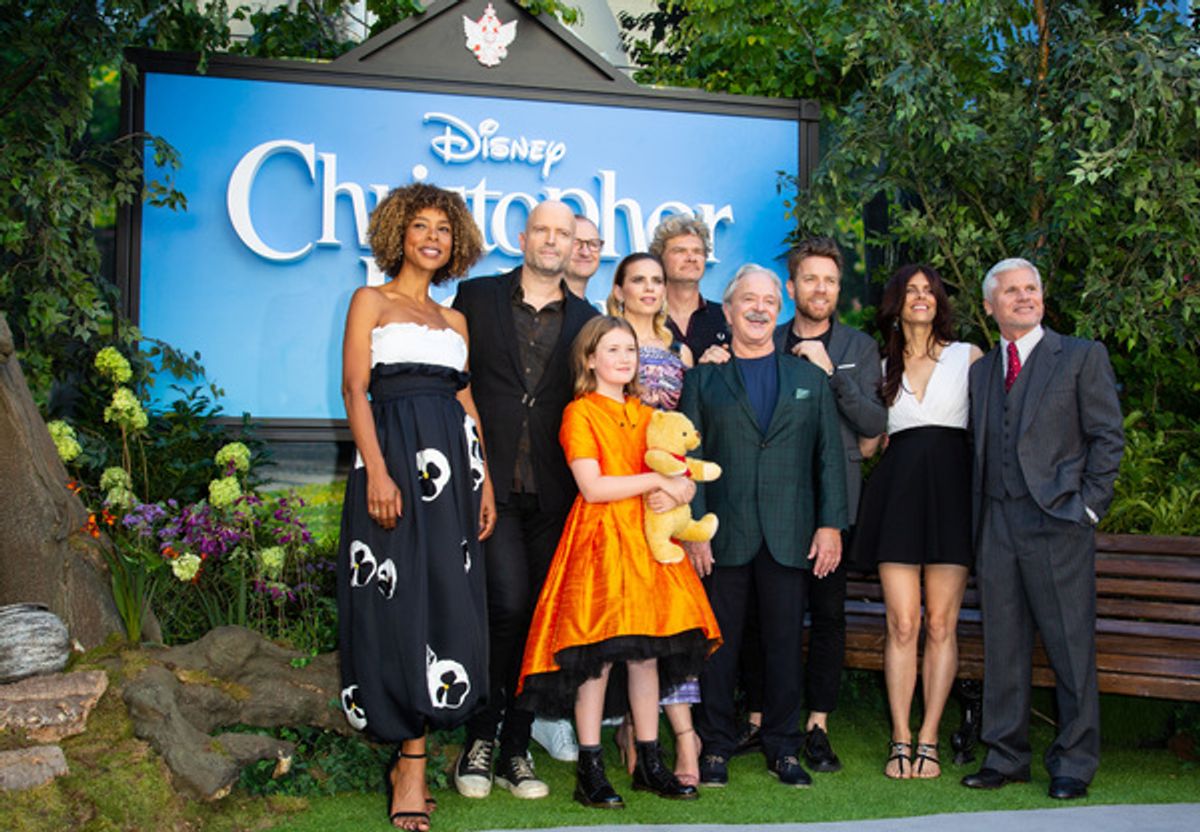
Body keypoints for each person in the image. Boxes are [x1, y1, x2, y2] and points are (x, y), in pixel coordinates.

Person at [336, 183, 494, 830]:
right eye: (420, 226)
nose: (432, 237)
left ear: (456, 242)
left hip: (453, 478)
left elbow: (465, 404)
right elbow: (354, 389)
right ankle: (407, 762)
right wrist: (377, 471)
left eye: (443, 229)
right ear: (398, 233)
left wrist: (482, 483)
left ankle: (416, 759)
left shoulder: (455, 320)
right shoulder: (369, 301)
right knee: (396, 611)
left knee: (446, 608)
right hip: (393, 465)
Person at [518, 316, 721, 808]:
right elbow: (594, 487)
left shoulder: (647, 412)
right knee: (598, 658)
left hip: (648, 547)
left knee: (647, 655)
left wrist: (681, 486)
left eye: (629, 349)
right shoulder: (580, 413)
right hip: (601, 544)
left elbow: (681, 473)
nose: (624, 358)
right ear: (590, 359)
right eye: (612, 350)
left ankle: (650, 763)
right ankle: (591, 770)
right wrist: (656, 484)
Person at [679, 265, 848, 789]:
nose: (758, 308)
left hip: (789, 533)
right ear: (727, 313)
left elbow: (828, 459)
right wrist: (693, 531)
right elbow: (690, 457)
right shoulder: (703, 379)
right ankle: (715, 749)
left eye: (769, 301)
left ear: (781, 310)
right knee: (719, 648)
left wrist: (830, 526)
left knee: (782, 645)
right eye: (747, 300)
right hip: (721, 535)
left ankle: (783, 747)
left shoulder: (809, 379)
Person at [451, 200, 598, 800]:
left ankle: (516, 748)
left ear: (573, 246)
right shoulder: (476, 297)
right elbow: (455, 383)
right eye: (542, 229)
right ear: (522, 236)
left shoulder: (587, 317)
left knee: (540, 619)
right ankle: (479, 739)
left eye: (563, 233)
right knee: (507, 606)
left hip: (557, 491)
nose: (552, 240)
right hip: (490, 486)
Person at [961, 258, 1123, 800]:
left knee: (1069, 647)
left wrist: (1089, 508)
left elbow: (1107, 438)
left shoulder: (1079, 356)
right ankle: (1005, 755)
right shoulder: (983, 371)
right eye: (1011, 291)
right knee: (1002, 645)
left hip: (1058, 523)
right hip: (998, 522)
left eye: (1031, 288)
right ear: (991, 305)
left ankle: (1075, 761)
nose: (1024, 297)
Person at [851, 264, 982, 780]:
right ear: (896, 303)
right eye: (911, 291)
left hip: (952, 491)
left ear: (940, 302)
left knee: (941, 623)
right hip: (898, 493)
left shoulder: (968, 357)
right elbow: (866, 442)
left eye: (929, 291)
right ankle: (900, 737)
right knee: (902, 623)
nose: (921, 298)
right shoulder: (879, 362)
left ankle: (929, 738)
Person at [773, 238, 886, 772]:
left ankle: (817, 726)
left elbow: (873, 423)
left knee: (828, 616)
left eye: (831, 281)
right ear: (791, 287)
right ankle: (765, 720)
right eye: (811, 280)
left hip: (833, 509)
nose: (822, 289)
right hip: (772, 503)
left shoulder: (859, 348)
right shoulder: (767, 340)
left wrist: (828, 372)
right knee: (768, 616)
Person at [606, 252, 702, 786]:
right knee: (627, 626)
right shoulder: (607, 343)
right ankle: (631, 728)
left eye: (657, 281)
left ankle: (683, 736)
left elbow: (688, 430)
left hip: (671, 503)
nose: (649, 288)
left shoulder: (679, 349)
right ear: (619, 289)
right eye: (638, 280)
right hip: (623, 495)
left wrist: (682, 486)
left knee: (669, 625)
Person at [530, 214, 604, 764]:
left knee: (571, 613)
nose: (574, 247)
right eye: (563, 236)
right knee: (519, 604)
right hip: (517, 484)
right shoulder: (488, 300)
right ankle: (525, 720)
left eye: (587, 241)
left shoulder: (593, 320)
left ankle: (558, 716)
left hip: (572, 491)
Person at [649, 214, 729, 362]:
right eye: (680, 251)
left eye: (698, 251)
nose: (691, 258)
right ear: (660, 259)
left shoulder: (726, 317)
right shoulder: (645, 317)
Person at [564, 214, 604, 301]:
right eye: (575, 243)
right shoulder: (537, 308)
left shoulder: (590, 312)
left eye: (593, 244)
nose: (585, 253)